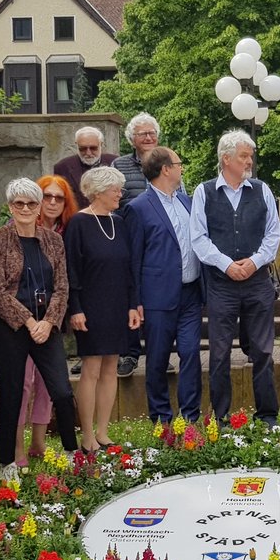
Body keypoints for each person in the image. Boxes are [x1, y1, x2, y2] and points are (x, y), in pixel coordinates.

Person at [0, 179, 82, 482]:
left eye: (31, 203)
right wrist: (28, 321)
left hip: (46, 326)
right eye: (18, 204)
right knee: (12, 394)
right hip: (11, 327)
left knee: (62, 392)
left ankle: (70, 452)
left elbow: (62, 287)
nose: (25, 209)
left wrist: (49, 322)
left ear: (40, 207)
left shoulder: (53, 240)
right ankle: (5, 461)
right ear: (10, 207)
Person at [191, 130, 280, 424]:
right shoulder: (203, 192)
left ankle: (267, 415)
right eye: (244, 156)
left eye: (250, 156)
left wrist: (254, 262)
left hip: (258, 284)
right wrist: (227, 265)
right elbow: (199, 238)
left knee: (263, 352)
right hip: (221, 286)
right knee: (219, 355)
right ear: (226, 158)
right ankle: (220, 417)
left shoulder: (261, 189)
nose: (249, 161)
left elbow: (273, 234)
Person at [128, 146, 203, 424]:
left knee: (191, 353)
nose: (182, 167)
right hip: (157, 299)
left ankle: (191, 417)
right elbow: (133, 260)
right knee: (158, 360)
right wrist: (134, 302)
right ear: (166, 170)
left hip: (191, 294)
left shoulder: (188, 201)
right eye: (178, 162)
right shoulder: (138, 208)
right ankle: (161, 418)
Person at [66, 166, 138, 451]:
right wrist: (76, 308)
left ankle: (103, 432)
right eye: (115, 190)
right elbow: (71, 270)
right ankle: (86, 436)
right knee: (91, 370)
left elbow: (128, 267)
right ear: (97, 192)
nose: (120, 194)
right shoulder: (77, 224)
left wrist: (133, 305)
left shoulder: (118, 222)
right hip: (90, 306)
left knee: (111, 368)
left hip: (118, 304)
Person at [113, 113, 168, 377]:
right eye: (142, 134)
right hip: (129, 242)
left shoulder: (167, 161)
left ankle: (159, 354)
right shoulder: (119, 165)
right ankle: (130, 354)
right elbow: (113, 202)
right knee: (131, 298)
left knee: (157, 300)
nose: (148, 138)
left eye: (152, 133)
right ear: (132, 140)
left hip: (160, 243)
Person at [53, 126, 114, 209]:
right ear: (76, 145)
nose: (88, 153)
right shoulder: (62, 167)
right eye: (83, 149)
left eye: (93, 148)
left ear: (101, 144)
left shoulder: (114, 163)